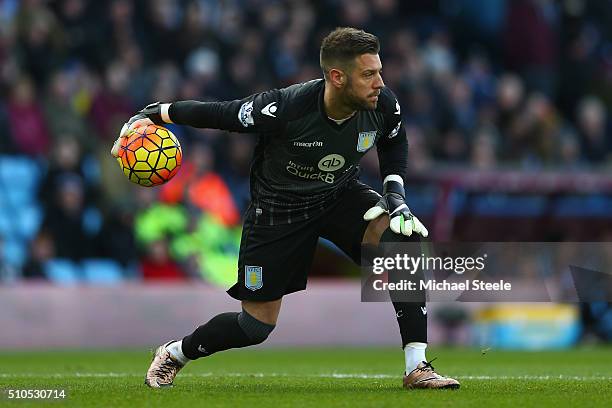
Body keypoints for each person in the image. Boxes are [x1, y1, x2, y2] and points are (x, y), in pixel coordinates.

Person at [111, 27, 459, 390]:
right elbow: (223, 114)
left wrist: (394, 194)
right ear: (337, 78)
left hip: (338, 195)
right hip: (279, 212)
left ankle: (417, 367)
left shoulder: (383, 104)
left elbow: (393, 140)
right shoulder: (287, 107)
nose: (379, 82)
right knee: (255, 327)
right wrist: (157, 113)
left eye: (379, 71)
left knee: (402, 239)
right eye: (369, 74)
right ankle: (175, 353)